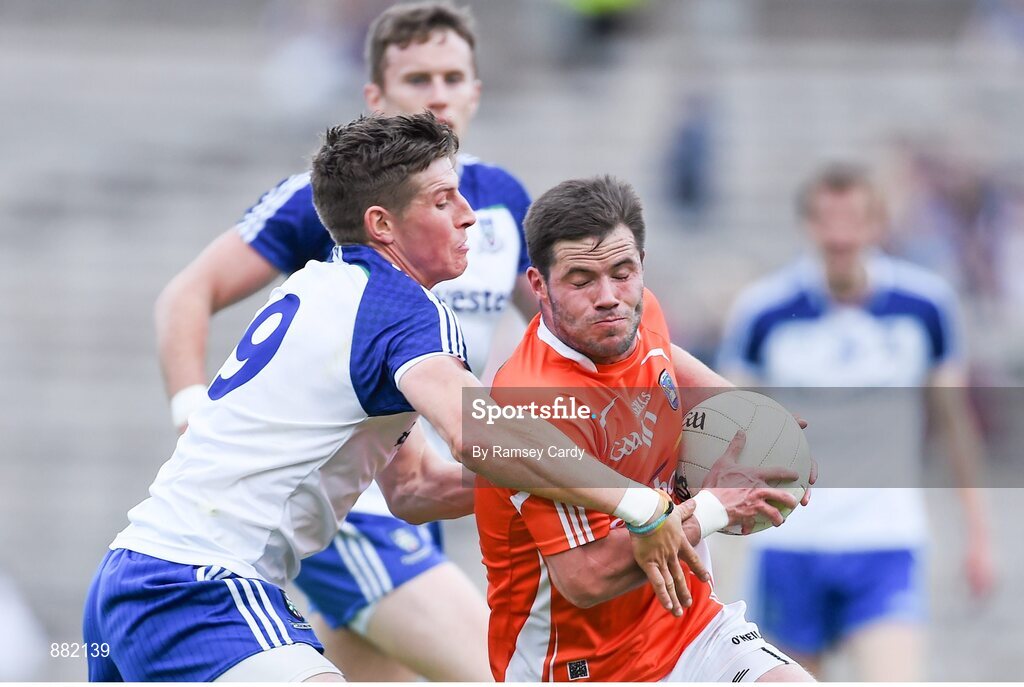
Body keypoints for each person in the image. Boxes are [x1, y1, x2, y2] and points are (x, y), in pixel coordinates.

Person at [84, 113, 704, 683]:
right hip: (199, 588)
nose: (470, 215)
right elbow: (480, 431)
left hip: (135, 578)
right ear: (382, 224)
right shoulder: (399, 309)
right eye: (444, 200)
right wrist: (635, 500)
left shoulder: (326, 288)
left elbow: (416, 490)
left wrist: (590, 477)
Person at [153, 3, 536, 680]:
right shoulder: (323, 199)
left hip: (419, 482)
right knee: (500, 670)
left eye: (453, 76)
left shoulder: (499, 201)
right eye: (418, 79)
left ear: (478, 89)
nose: (438, 95)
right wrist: (190, 410)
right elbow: (187, 294)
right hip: (357, 504)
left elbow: (574, 324)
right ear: (377, 96)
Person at [476, 175, 816, 682]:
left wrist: (756, 421)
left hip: (691, 626)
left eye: (623, 272)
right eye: (581, 280)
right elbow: (587, 576)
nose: (609, 296)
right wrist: (719, 504)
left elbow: (661, 357)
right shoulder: (534, 402)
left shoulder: (635, 313)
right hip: (580, 664)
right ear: (539, 285)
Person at [717, 162, 995, 681]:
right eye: (827, 219)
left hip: (885, 541)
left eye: (853, 219)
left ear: (877, 225)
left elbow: (956, 425)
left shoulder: (925, 308)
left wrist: (977, 534)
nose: (840, 233)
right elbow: (726, 431)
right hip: (789, 544)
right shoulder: (763, 312)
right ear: (808, 226)